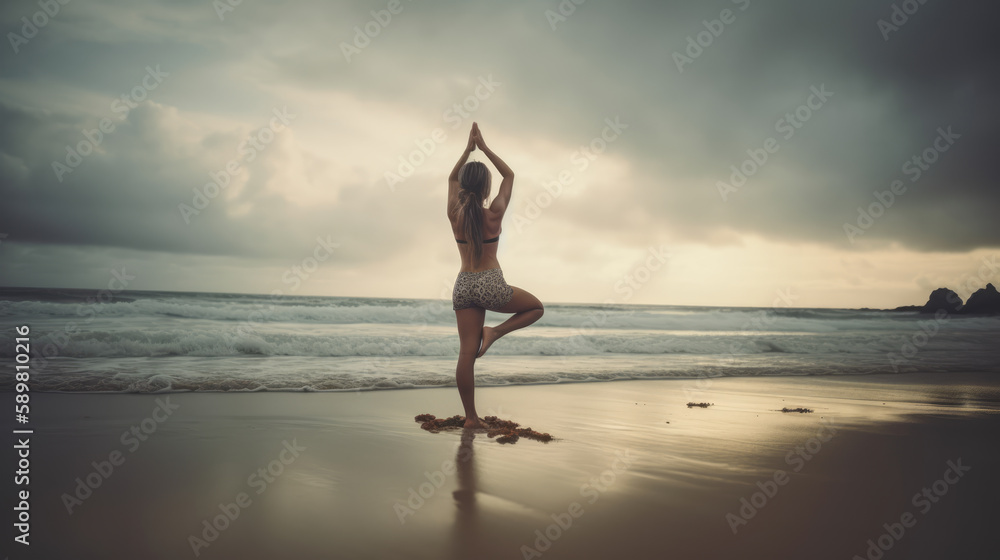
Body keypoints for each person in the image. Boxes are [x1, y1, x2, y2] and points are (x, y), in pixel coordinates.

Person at [447, 122, 544, 429]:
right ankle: (496, 333)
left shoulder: (453, 213)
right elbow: (510, 175)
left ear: (464, 186)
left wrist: (467, 150)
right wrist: (484, 147)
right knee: (536, 307)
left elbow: (450, 177)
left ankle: (471, 418)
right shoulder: (495, 212)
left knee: (466, 353)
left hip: (463, 285)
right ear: (486, 188)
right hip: (490, 283)